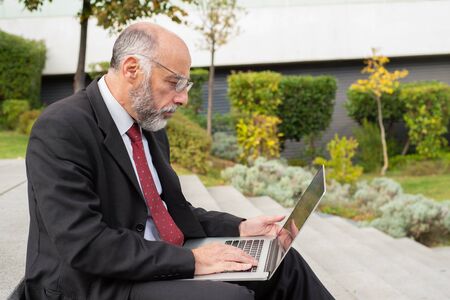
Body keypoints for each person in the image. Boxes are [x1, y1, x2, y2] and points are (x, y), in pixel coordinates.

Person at [24, 22, 334, 300]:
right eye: (174, 83)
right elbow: (85, 244)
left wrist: (240, 227)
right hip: (93, 282)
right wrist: (196, 261)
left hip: (156, 259)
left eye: (186, 86)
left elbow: (170, 213)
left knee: (283, 264)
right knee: (229, 298)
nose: (183, 98)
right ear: (132, 69)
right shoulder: (62, 128)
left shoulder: (150, 126)